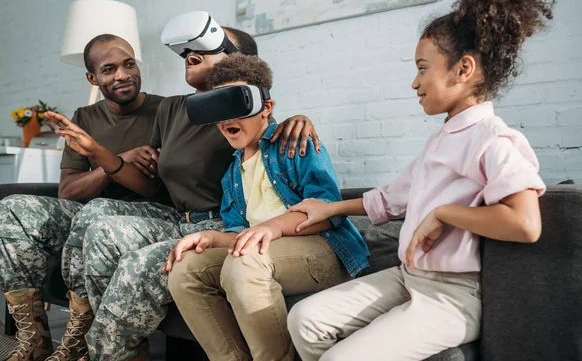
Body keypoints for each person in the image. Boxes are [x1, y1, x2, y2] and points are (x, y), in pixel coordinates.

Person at [287, 0, 555, 360]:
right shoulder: (441, 140)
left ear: (463, 69)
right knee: (303, 319)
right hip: (408, 276)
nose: (414, 83)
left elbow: (525, 223)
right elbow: (392, 198)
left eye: (422, 68)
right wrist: (329, 208)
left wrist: (446, 213)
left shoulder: (493, 139)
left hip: (452, 295)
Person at [46, 25, 321, 361]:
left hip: (222, 225)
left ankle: (105, 349)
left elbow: (267, 132)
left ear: (238, 63)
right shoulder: (172, 109)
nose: (191, 54)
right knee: (100, 224)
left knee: (141, 263)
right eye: (190, 49)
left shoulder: (245, 113)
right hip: (178, 218)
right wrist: (97, 151)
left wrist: (299, 118)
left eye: (209, 48)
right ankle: (103, 339)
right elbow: (150, 184)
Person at [166, 53, 369, 361]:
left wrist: (271, 228)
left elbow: (329, 212)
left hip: (324, 250)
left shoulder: (295, 143)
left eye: (238, 105)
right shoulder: (231, 174)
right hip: (263, 253)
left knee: (246, 262)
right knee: (185, 270)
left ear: (266, 109)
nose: (227, 118)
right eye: (220, 107)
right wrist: (209, 238)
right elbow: (241, 235)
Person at [0, 34, 171, 361]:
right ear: (93, 78)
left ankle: (77, 340)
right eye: (109, 69)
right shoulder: (86, 118)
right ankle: (33, 340)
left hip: (150, 217)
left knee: (98, 209)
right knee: (12, 208)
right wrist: (115, 160)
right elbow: (68, 191)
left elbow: (153, 189)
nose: (122, 75)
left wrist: (105, 159)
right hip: (89, 215)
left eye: (128, 64)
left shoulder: (166, 109)